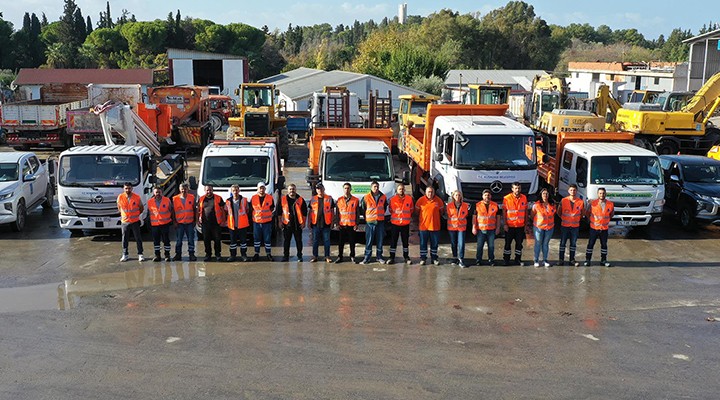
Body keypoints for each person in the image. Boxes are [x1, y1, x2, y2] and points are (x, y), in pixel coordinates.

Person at [359, 180, 388, 265]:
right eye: (374, 187)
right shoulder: (366, 197)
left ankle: (379, 257)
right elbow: (363, 209)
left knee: (380, 240)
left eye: (377, 187)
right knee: (369, 240)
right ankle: (367, 257)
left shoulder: (383, 197)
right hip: (370, 222)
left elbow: (384, 207)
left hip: (380, 222)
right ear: (371, 188)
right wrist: (367, 218)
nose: (376, 188)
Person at [585, 187, 615, 267]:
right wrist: (592, 221)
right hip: (594, 228)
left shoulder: (610, 204)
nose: (602, 195)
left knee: (604, 245)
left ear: (606, 194)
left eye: (603, 193)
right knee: (591, 244)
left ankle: (603, 260)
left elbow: (611, 214)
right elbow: (587, 213)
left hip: (604, 229)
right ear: (598, 194)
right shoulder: (592, 203)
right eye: (600, 193)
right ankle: (587, 260)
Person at [415, 186, 444, 265]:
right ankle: (423, 258)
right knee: (423, 243)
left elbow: (441, 212)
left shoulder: (439, 201)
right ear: (425, 192)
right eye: (428, 192)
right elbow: (417, 212)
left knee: (434, 244)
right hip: (423, 227)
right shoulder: (420, 201)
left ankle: (434, 258)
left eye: (431, 192)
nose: (430, 193)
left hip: (435, 226)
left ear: (434, 192)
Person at [278, 183, 307, 262]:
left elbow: (304, 212)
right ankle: (286, 256)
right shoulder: (283, 199)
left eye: (293, 189)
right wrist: (280, 222)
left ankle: (299, 256)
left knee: (298, 241)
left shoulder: (300, 199)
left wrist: (303, 223)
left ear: (295, 190)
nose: (292, 191)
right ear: (288, 190)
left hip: (297, 225)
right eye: (290, 189)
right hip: (287, 224)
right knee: (286, 241)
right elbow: (279, 212)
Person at [117, 182, 145, 262]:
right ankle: (125, 254)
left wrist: (136, 215)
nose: (127, 190)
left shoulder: (137, 197)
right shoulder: (120, 197)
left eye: (129, 188)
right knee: (124, 238)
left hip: (135, 221)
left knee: (138, 238)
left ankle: (140, 254)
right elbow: (119, 208)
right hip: (125, 222)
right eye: (126, 188)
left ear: (132, 189)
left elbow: (141, 208)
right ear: (123, 188)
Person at [557, 184, 584, 267]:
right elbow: (559, 212)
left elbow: (582, 213)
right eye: (571, 190)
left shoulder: (580, 202)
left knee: (573, 243)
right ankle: (561, 260)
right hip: (565, 225)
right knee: (562, 243)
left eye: (574, 190)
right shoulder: (563, 200)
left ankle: (572, 260)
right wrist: (564, 218)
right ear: (568, 191)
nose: (573, 192)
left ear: (576, 191)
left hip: (575, 227)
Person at [387, 184, 413, 265]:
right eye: (399, 189)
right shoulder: (392, 199)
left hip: (405, 224)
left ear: (404, 190)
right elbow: (390, 210)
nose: (401, 190)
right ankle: (392, 257)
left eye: (402, 189)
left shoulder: (409, 199)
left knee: (405, 242)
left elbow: (411, 210)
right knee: (393, 241)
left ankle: (406, 257)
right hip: (395, 224)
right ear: (397, 190)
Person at [502, 182, 528, 266]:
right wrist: (505, 224)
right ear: (512, 189)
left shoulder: (524, 198)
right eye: (516, 188)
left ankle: (518, 259)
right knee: (507, 244)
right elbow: (504, 212)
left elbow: (526, 212)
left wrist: (526, 224)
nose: (517, 190)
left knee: (519, 244)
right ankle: (506, 259)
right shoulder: (506, 198)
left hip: (520, 226)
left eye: (519, 188)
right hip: (510, 226)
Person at [308, 182, 334, 263]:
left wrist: (333, 222)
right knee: (315, 241)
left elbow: (332, 211)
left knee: (327, 241)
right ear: (316, 190)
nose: (319, 190)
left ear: (324, 189)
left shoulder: (329, 198)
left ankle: (327, 256)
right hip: (316, 223)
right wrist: (309, 222)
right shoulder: (313, 199)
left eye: (321, 189)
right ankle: (315, 256)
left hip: (326, 223)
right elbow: (310, 212)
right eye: (318, 189)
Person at [198, 185, 226, 262]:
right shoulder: (201, 199)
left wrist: (223, 220)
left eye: (210, 190)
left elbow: (223, 210)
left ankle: (218, 254)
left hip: (216, 223)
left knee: (217, 239)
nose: (209, 191)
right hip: (205, 223)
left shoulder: (218, 198)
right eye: (207, 190)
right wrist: (198, 220)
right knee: (206, 240)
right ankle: (208, 255)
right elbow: (199, 210)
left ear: (212, 190)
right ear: (205, 190)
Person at [472, 189, 499, 266]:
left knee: (491, 246)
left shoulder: (495, 205)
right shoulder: (477, 205)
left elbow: (498, 217)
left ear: (491, 196)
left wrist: (497, 228)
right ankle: (478, 260)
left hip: (491, 230)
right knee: (480, 246)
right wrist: (473, 227)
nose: (487, 196)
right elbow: (474, 218)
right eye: (485, 195)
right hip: (481, 229)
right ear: (482, 196)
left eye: (488, 195)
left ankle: (491, 260)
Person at [335, 182, 359, 264]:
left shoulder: (355, 200)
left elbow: (357, 213)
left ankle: (352, 256)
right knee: (341, 242)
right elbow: (337, 213)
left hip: (351, 225)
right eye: (345, 188)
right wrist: (337, 223)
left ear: (351, 189)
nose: (346, 190)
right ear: (343, 189)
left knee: (352, 242)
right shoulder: (339, 200)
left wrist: (357, 223)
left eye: (348, 188)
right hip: (342, 225)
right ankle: (340, 256)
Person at [531, 188, 556, 268]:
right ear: (541, 195)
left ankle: (545, 260)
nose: (545, 195)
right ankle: (536, 260)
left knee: (545, 244)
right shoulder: (536, 205)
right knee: (538, 243)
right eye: (544, 194)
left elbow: (553, 215)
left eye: (547, 194)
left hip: (549, 228)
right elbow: (532, 215)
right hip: (539, 228)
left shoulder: (552, 204)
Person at [251, 182, 275, 261]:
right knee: (256, 239)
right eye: (260, 188)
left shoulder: (269, 197)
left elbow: (272, 208)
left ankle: (268, 254)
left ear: (265, 189)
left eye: (263, 188)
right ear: (257, 189)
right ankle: (256, 253)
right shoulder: (253, 198)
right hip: (257, 222)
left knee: (267, 239)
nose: (261, 190)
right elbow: (251, 209)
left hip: (267, 222)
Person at [147, 186, 173, 262]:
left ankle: (167, 255)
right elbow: (149, 213)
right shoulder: (150, 202)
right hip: (155, 225)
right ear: (153, 193)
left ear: (162, 192)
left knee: (166, 240)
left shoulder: (167, 200)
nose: (158, 194)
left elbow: (171, 210)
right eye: (156, 192)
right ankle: (157, 255)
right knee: (156, 241)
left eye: (159, 192)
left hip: (165, 224)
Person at [226, 184, 250, 262]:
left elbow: (247, 210)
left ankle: (244, 255)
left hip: (242, 225)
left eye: (236, 190)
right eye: (233, 190)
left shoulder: (244, 200)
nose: (235, 192)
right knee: (233, 242)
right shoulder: (228, 201)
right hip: (232, 225)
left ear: (239, 191)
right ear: (231, 191)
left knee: (243, 242)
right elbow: (226, 211)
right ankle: (232, 256)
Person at [173, 184, 197, 261]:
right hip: (180, 223)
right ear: (180, 189)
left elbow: (195, 210)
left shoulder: (192, 197)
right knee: (179, 240)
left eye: (185, 189)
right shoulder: (175, 199)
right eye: (182, 189)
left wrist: (195, 221)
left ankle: (191, 254)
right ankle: (178, 254)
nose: (184, 190)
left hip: (189, 223)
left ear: (188, 189)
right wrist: (174, 222)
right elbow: (173, 211)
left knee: (191, 240)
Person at [447, 190, 470, 267]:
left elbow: (466, 215)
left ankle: (461, 259)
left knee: (461, 243)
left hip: (461, 228)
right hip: (452, 227)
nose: (458, 197)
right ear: (453, 196)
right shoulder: (449, 206)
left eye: (459, 195)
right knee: (453, 243)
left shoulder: (465, 205)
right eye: (456, 195)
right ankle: (454, 257)